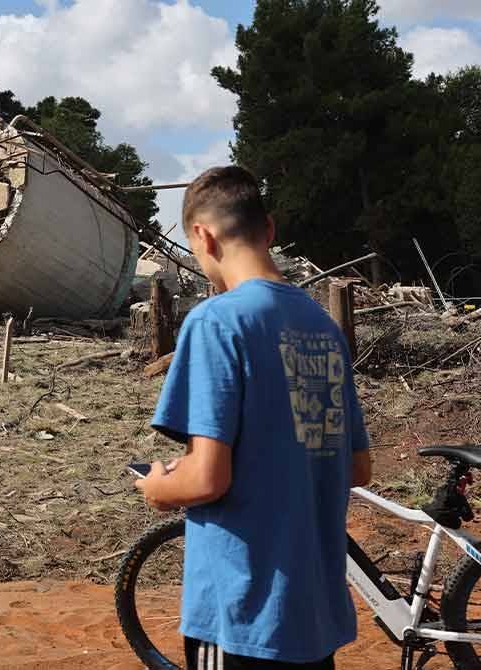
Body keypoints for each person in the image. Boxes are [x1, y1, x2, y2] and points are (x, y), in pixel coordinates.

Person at [135, 166, 372, 669]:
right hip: (311, 613)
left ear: (202, 235)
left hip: (242, 611)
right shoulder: (322, 327)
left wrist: (160, 487)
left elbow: (207, 477)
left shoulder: (216, 321)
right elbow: (356, 467)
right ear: (269, 230)